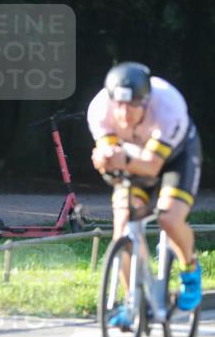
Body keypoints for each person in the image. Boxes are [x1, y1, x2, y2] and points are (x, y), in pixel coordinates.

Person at [87, 62, 203, 319]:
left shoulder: (168, 106)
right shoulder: (98, 110)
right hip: (134, 158)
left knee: (169, 219)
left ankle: (190, 270)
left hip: (175, 158)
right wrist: (104, 160)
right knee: (123, 230)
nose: (124, 113)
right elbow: (109, 157)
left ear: (147, 102)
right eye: (119, 105)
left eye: (133, 105)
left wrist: (120, 161)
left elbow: (152, 167)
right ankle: (132, 302)